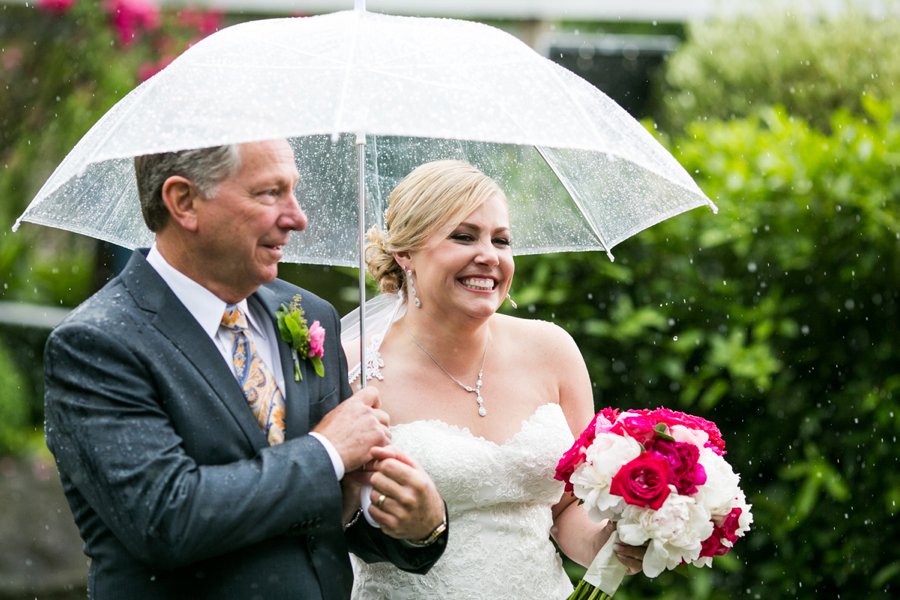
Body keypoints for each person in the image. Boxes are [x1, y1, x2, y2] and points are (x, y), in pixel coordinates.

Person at [42, 139, 448, 599]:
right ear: (184, 202)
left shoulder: (309, 314)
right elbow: (167, 519)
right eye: (270, 193)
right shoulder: (98, 344)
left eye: (293, 191)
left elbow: (325, 516)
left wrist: (413, 522)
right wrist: (327, 452)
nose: (298, 218)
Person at [342, 160, 646, 598]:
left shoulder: (552, 350)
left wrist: (611, 540)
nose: (489, 255)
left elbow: (568, 508)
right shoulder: (354, 368)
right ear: (404, 252)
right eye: (463, 236)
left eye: (501, 240)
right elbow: (331, 519)